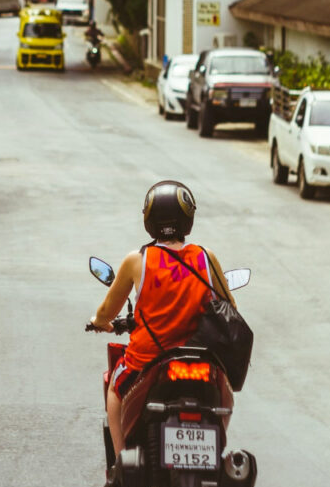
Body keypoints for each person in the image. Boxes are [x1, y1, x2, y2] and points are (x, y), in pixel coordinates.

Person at [89, 180, 235, 457]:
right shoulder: (206, 258)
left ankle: (121, 464)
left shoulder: (137, 260)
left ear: (149, 220)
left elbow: (107, 310)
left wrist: (99, 322)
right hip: (201, 357)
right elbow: (229, 308)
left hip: (147, 358)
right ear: (188, 219)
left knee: (114, 390)